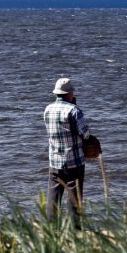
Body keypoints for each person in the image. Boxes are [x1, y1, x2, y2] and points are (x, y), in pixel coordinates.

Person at [44, 77, 92, 226]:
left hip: (54, 161)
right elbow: (85, 134)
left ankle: (51, 228)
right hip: (74, 161)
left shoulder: (47, 109)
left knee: (53, 196)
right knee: (74, 195)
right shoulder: (74, 110)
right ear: (70, 94)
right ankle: (75, 228)